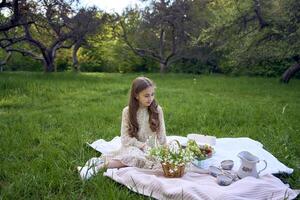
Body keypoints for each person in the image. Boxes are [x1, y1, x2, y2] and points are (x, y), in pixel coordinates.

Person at [78, 76, 167, 180]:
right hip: (133, 146)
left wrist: (162, 149)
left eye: (152, 94)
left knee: (154, 160)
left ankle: (102, 165)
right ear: (136, 95)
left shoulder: (157, 110)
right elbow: (125, 139)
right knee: (135, 156)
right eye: (146, 96)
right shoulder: (127, 111)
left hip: (151, 147)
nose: (150, 98)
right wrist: (141, 145)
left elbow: (161, 135)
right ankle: (97, 168)